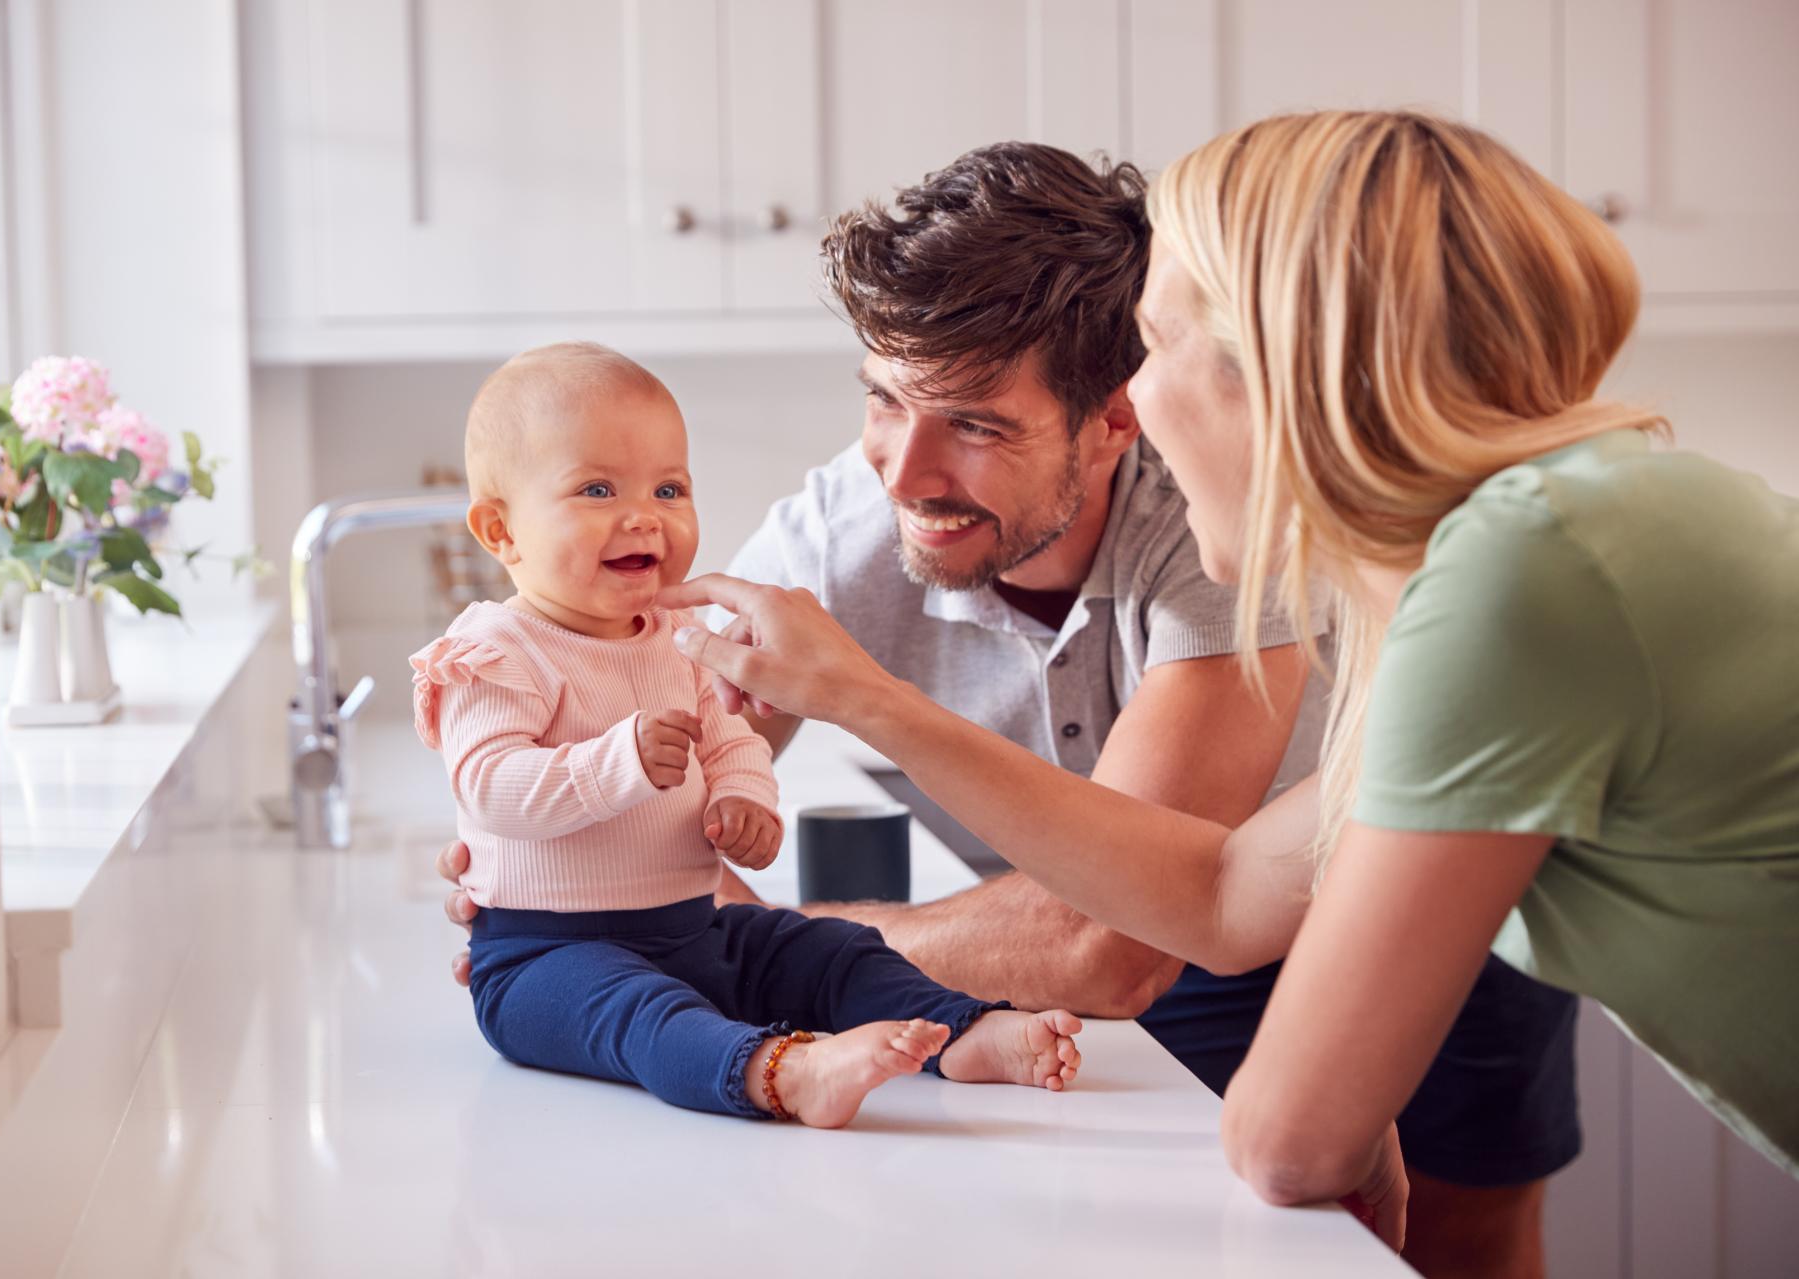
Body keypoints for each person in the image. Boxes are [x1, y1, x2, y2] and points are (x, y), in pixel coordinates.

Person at [440, 145, 1580, 1276]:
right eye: (884, 401)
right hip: (1203, 918)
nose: (904, 472)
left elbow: (1107, 945)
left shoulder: (1220, 513)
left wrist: (769, 947)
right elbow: (661, 774)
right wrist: (587, 898)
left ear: (1115, 416)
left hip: (1416, 897)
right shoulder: (846, 524)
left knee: (1455, 1249)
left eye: (977, 424)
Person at [655, 111, 1799, 1233]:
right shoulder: (1519, 544)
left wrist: (1319, 1098)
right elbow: (1224, 894)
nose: (1138, 403)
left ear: (1281, 367)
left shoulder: (1522, 579)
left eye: (1157, 345)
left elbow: (1279, 1136)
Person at [416, 342, 1081, 1128]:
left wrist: (743, 797)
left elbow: (730, 737)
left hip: (694, 929)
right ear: (500, 531)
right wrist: (617, 761)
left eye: (669, 487)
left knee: (830, 947)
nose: (644, 515)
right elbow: (490, 787)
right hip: (545, 957)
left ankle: (963, 1032)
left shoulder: (680, 634)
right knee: (641, 1013)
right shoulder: (493, 650)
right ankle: (779, 1070)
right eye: (596, 489)